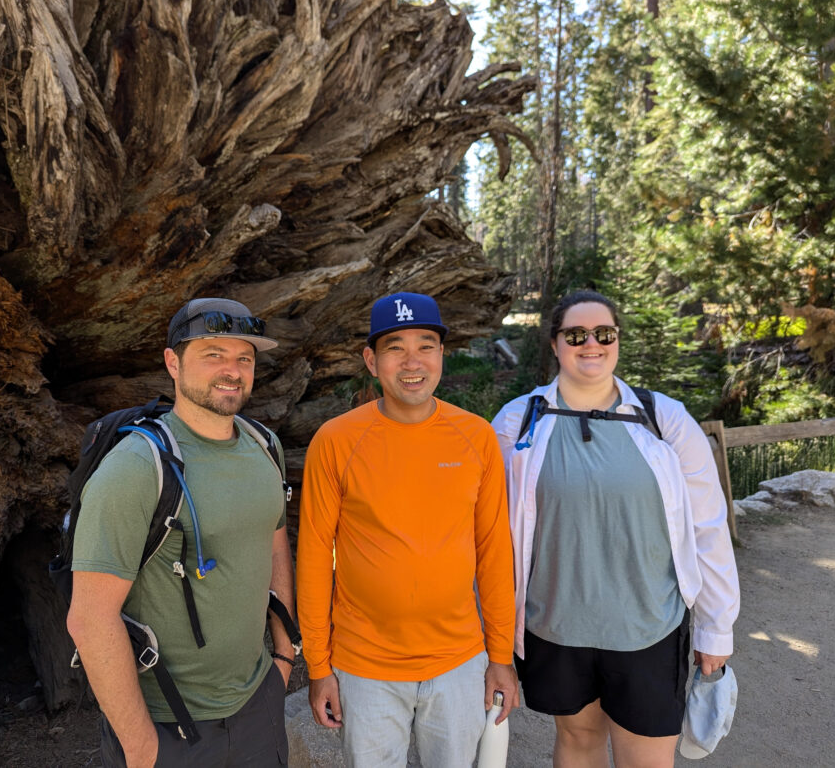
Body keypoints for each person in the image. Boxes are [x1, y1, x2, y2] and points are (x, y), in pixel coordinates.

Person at [491, 290, 740, 768]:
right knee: (578, 740)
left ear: (618, 340)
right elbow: (494, 534)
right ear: (555, 343)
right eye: (576, 334)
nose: (591, 344)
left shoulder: (663, 419)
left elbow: (708, 527)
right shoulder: (517, 422)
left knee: (645, 758)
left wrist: (715, 630)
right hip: (556, 626)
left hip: (648, 627)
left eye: (604, 334)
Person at [67, 298, 296, 768]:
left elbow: (273, 546)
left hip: (259, 704)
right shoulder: (135, 468)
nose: (231, 370)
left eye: (244, 358)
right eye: (213, 354)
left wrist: (285, 656)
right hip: (169, 726)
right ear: (173, 362)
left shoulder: (264, 446)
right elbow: (90, 619)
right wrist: (140, 747)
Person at [296, 291, 519, 767]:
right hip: (364, 666)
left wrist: (500, 656)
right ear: (371, 361)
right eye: (395, 347)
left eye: (426, 345)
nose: (412, 361)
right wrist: (319, 666)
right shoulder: (335, 441)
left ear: (442, 355)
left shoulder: (475, 436)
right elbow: (314, 557)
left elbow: (495, 552)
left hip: (458, 663)